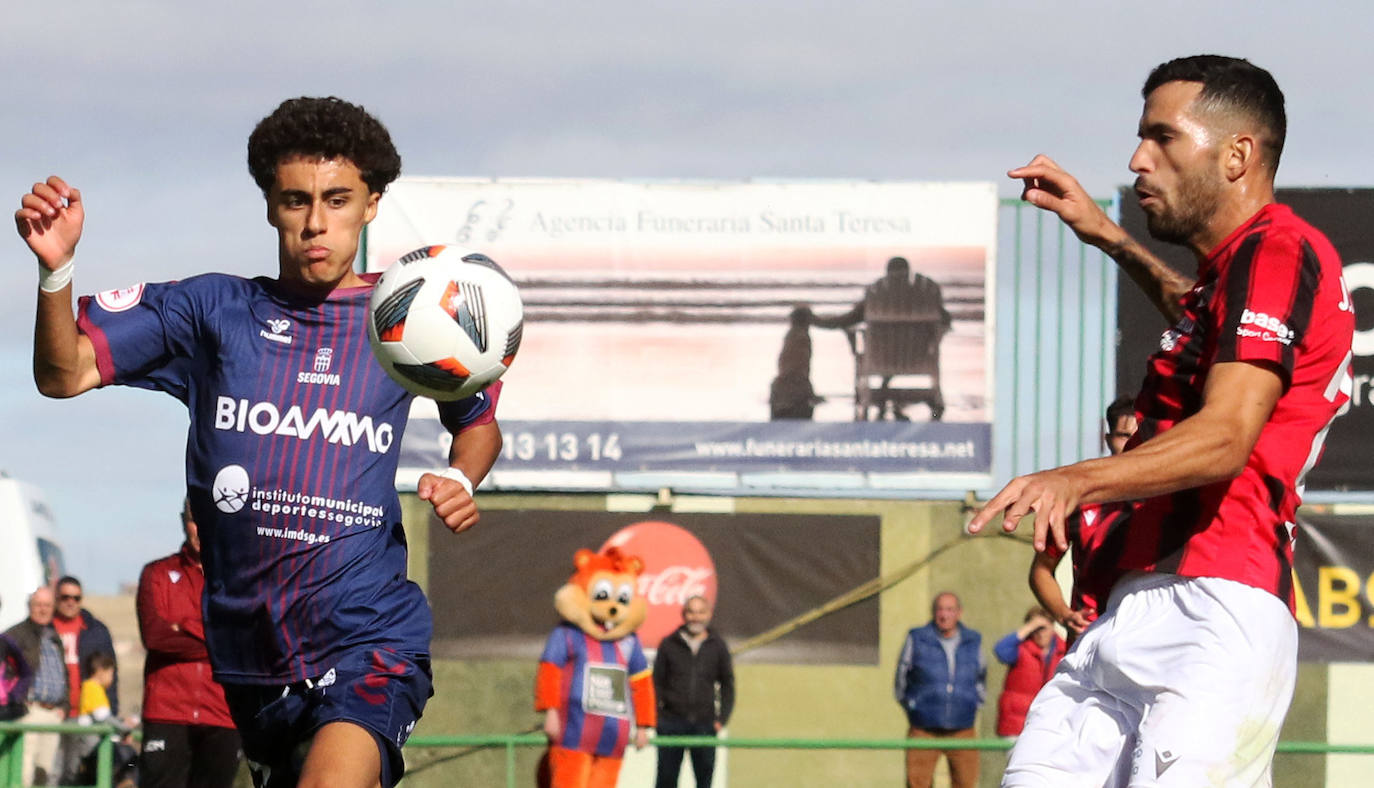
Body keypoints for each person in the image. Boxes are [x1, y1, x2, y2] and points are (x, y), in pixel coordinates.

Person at [15, 96, 505, 788]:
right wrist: (55, 274)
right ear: (270, 205)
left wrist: (461, 477)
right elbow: (64, 375)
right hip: (251, 663)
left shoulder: (406, 320)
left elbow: (477, 424)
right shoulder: (212, 312)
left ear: (372, 204)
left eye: (337, 200)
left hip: (368, 640)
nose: (315, 223)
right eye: (295, 200)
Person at [970, 55, 1355, 786]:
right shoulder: (1235, 272)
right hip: (1124, 609)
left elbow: (1226, 438)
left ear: (1238, 154)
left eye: (1162, 137)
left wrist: (1074, 480)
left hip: (1215, 606)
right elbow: (1201, 320)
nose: (1138, 158)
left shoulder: (1281, 249)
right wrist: (1108, 236)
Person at [136, 499, 242, 788]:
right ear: (183, 520)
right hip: (167, 711)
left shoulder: (239, 579)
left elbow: (245, 641)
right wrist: (216, 640)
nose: (201, 528)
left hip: (222, 713)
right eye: (195, 519)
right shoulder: (156, 573)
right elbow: (156, 637)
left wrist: (183, 627)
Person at [1026, 395, 1136, 639]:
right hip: (1091, 637)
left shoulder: (1166, 497)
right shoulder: (1080, 499)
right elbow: (1041, 571)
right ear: (1108, 439)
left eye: (1139, 435)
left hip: (1141, 638)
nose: (1132, 444)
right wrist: (1065, 615)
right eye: (1124, 435)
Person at [814, 256, 952, 420]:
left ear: (887, 274)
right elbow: (946, 321)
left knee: (889, 348)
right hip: (919, 358)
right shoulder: (926, 298)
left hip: (879, 359)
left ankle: (882, 389)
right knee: (902, 346)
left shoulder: (876, 298)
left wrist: (813, 320)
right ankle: (925, 397)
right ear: (909, 272)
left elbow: (845, 320)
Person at [893, 591, 985, 788]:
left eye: (950, 610)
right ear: (934, 612)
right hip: (924, 727)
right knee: (917, 783)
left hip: (963, 727)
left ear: (959, 613)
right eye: (940, 609)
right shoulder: (917, 637)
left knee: (966, 782)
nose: (944, 615)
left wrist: (973, 701)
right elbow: (901, 675)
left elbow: (981, 675)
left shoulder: (973, 640)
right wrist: (912, 705)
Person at [652, 595, 735, 788]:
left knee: (704, 781)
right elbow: (656, 683)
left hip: (705, 726)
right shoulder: (668, 644)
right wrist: (657, 718)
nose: (695, 617)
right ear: (684, 614)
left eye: (700, 612)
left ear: (708, 614)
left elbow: (727, 684)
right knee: (665, 780)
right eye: (691, 612)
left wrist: (721, 719)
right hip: (671, 725)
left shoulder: (718, 646)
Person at [3, 587, 68, 786]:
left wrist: (63, 707)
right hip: (28, 711)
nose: (43, 609)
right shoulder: (14, 635)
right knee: (24, 770)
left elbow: (63, 674)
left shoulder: (53, 636)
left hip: (52, 713)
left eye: (47, 605)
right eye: (38, 605)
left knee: (44, 772)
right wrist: (17, 700)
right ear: (30, 606)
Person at [64, 652, 139, 787]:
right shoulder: (93, 688)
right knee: (128, 754)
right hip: (93, 745)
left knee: (128, 755)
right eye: (111, 674)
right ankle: (125, 781)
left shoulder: (93, 689)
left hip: (95, 743)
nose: (112, 678)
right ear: (100, 671)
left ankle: (125, 780)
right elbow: (102, 716)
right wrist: (124, 729)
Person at [991, 608, 1064, 739]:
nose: (1040, 634)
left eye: (1043, 628)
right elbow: (1001, 651)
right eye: (1035, 630)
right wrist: (1029, 627)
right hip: (1016, 725)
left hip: (1049, 724)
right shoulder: (1021, 650)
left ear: (1052, 627)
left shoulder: (1063, 650)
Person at [52, 575, 118, 718]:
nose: (71, 602)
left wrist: (112, 713)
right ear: (56, 597)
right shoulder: (45, 628)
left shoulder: (97, 631)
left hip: (88, 715)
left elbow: (111, 675)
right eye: (65, 597)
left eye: (76, 598)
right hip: (53, 714)